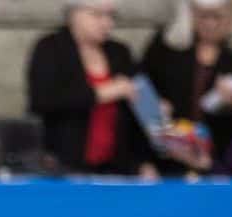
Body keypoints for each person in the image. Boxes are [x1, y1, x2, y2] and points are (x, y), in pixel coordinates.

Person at [26, 0, 157, 177]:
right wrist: (103, 92)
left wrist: (153, 108)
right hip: (63, 166)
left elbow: (144, 109)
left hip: (117, 167)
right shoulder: (50, 48)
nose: (107, 23)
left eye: (111, 15)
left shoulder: (119, 52)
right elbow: (42, 100)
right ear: (73, 15)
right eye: (97, 15)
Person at [141, 0, 232, 166]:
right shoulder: (165, 45)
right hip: (169, 155)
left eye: (219, 16)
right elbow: (141, 95)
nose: (210, 23)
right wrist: (155, 110)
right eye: (202, 16)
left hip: (226, 159)